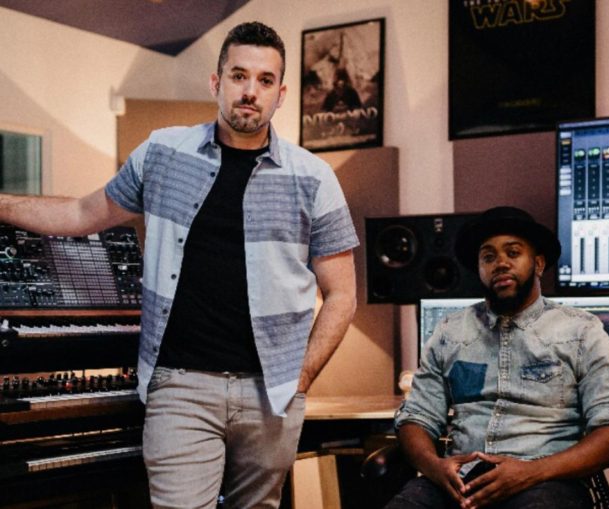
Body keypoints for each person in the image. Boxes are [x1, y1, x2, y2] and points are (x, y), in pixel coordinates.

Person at [0, 21, 358, 508]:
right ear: (216, 82)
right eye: (238, 76)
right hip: (180, 385)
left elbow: (342, 294)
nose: (250, 91)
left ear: (280, 94)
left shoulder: (314, 178)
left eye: (265, 80)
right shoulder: (162, 153)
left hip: (271, 393)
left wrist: (301, 379)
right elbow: (82, 214)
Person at [385, 206, 609, 509]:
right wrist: (435, 467)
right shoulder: (450, 332)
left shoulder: (581, 331)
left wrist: (531, 472)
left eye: (513, 253)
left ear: (538, 263)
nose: (500, 264)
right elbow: (416, 418)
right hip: (460, 481)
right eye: (488, 257)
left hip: (546, 481)